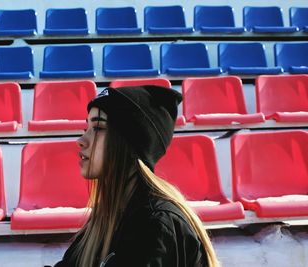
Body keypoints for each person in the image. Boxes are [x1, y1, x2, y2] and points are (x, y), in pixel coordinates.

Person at [54, 85, 219, 267]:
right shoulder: (108, 216)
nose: (81, 140)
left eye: (98, 127)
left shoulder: (156, 224)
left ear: (130, 144)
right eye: (87, 128)